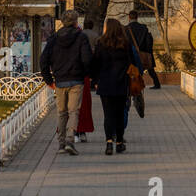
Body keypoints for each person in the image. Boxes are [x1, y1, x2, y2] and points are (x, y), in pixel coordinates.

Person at [40, 9, 92, 155]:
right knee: (74, 111)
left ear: (62, 22)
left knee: (61, 112)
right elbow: (87, 59)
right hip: (76, 79)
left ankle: (61, 144)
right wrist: (87, 73)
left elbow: (43, 60)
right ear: (76, 22)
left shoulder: (54, 38)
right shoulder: (81, 37)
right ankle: (70, 139)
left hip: (60, 80)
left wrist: (48, 80)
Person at [91, 17, 141, 155]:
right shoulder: (125, 43)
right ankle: (119, 143)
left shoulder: (101, 43)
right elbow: (132, 63)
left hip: (105, 84)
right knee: (119, 114)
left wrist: (95, 81)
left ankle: (108, 143)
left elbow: (95, 63)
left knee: (108, 115)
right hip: (121, 83)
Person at [74, 18, 100, 143]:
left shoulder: (77, 36)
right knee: (83, 105)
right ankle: (81, 131)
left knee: (69, 107)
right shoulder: (94, 36)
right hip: (82, 74)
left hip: (67, 76)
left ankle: (71, 132)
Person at [127, 10, 160, 89]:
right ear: (137, 17)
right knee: (150, 69)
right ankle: (157, 84)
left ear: (129, 17)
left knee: (131, 70)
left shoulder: (126, 29)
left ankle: (133, 85)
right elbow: (148, 41)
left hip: (131, 53)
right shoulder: (144, 28)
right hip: (144, 52)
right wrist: (148, 52)